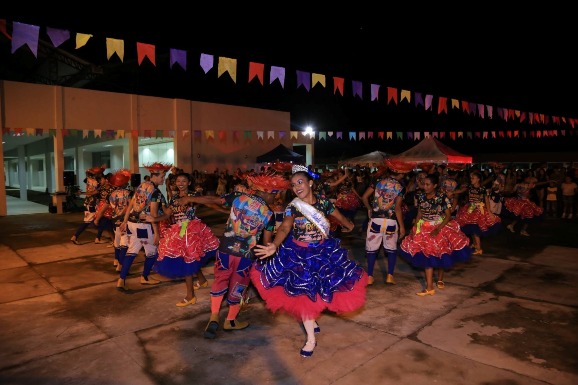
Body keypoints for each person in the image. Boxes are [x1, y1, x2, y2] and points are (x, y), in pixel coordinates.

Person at [251, 165, 368, 358]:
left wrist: (349, 225)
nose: (297, 187)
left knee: (321, 289)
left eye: (300, 182)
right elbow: (285, 227)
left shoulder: (323, 203)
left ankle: (311, 320)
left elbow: (338, 216)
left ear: (310, 183)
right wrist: (274, 245)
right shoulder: (293, 207)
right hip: (299, 253)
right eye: (293, 184)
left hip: (322, 253)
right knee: (304, 294)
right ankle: (311, 339)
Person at [187, 172, 291, 339]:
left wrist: (189, 199)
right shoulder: (269, 214)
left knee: (220, 280)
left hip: (225, 250)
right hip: (246, 256)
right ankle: (230, 320)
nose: (276, 197)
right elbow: (265, 243)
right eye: (275, 193)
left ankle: (214, 317)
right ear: (266, 192)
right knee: (238, 286)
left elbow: (214, 200)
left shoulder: (239, 198)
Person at [145, 172, 220, 307]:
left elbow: (209, 203)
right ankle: (202, 281)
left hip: (190, 230)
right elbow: (168, 214)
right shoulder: (174, 198)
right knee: (190, 257)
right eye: (178, 181)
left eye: (184, 181)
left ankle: (190, 296)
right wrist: (154, 219)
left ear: (189, 183)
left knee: (187, 260)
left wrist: (225, 210)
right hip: (179, 230)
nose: (180, 183)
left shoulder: (193, 196)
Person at [399, 173, 471, 296]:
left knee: (440, 255)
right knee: (428, 257)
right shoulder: (421, 197)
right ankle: (429, 287)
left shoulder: (442, 198)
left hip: (438, 227)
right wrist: (415, 226)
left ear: (435, 185)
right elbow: (420, 213)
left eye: (428, 184)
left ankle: (440, 278)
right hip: (424, 228)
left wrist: (438, 229)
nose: (425, 187)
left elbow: (448, 216)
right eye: (423, 184)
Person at [117, 162, 171, 290]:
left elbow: (130, 205)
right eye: (162, 176)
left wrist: (125, 221)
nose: (164, 179)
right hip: (144, 226)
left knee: (132, 251)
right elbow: (153, 215)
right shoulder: (155, 192)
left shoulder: (142, 186)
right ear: (155, 175)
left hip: (131, 223)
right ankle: (145, 277)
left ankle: (121, 279)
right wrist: (157, 234)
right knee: (152, 252)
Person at [361, 161, 408, 285]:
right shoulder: (401, 187)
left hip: (376, 220)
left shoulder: (377, 182)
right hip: (391, 222)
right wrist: (402, 227)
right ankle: (389, 276)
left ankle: (370, 276)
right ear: (400, 173)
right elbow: (397, 208)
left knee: (372, 250)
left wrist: (369, 208)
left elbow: (364, 197)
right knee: (391, 249)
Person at [455, 171, 502, 255]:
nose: (471, 179)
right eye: (471, 178)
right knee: (471, 229)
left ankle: (479, 249)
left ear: (478, 179)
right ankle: (475, 245)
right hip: (470, 209)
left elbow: (487, 200)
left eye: (473, 178)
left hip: (478, 210)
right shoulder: (469, 187)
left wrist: (490, 212)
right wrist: (453, 192)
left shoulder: (483, 189)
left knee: (475, 230)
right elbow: (461, 190)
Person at [97, 169, 133, 271]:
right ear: (125, 183)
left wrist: (98, 217)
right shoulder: (129, 193)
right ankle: (120, 264)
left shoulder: (111, 194)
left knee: (117, 242)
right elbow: (132, 206)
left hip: (114, 220)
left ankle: (116, 259)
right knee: (124, 243)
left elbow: (103, 208)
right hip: (125, 221)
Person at [70, 164, 106, 245]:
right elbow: (95, 192)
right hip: (93, 204)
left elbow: (89, 175)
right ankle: (77, 236)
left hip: (87, 203)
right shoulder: (98, 183)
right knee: (100, 220)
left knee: (92, 220)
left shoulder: (88, 180)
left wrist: (100, 170)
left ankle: (77, 236)